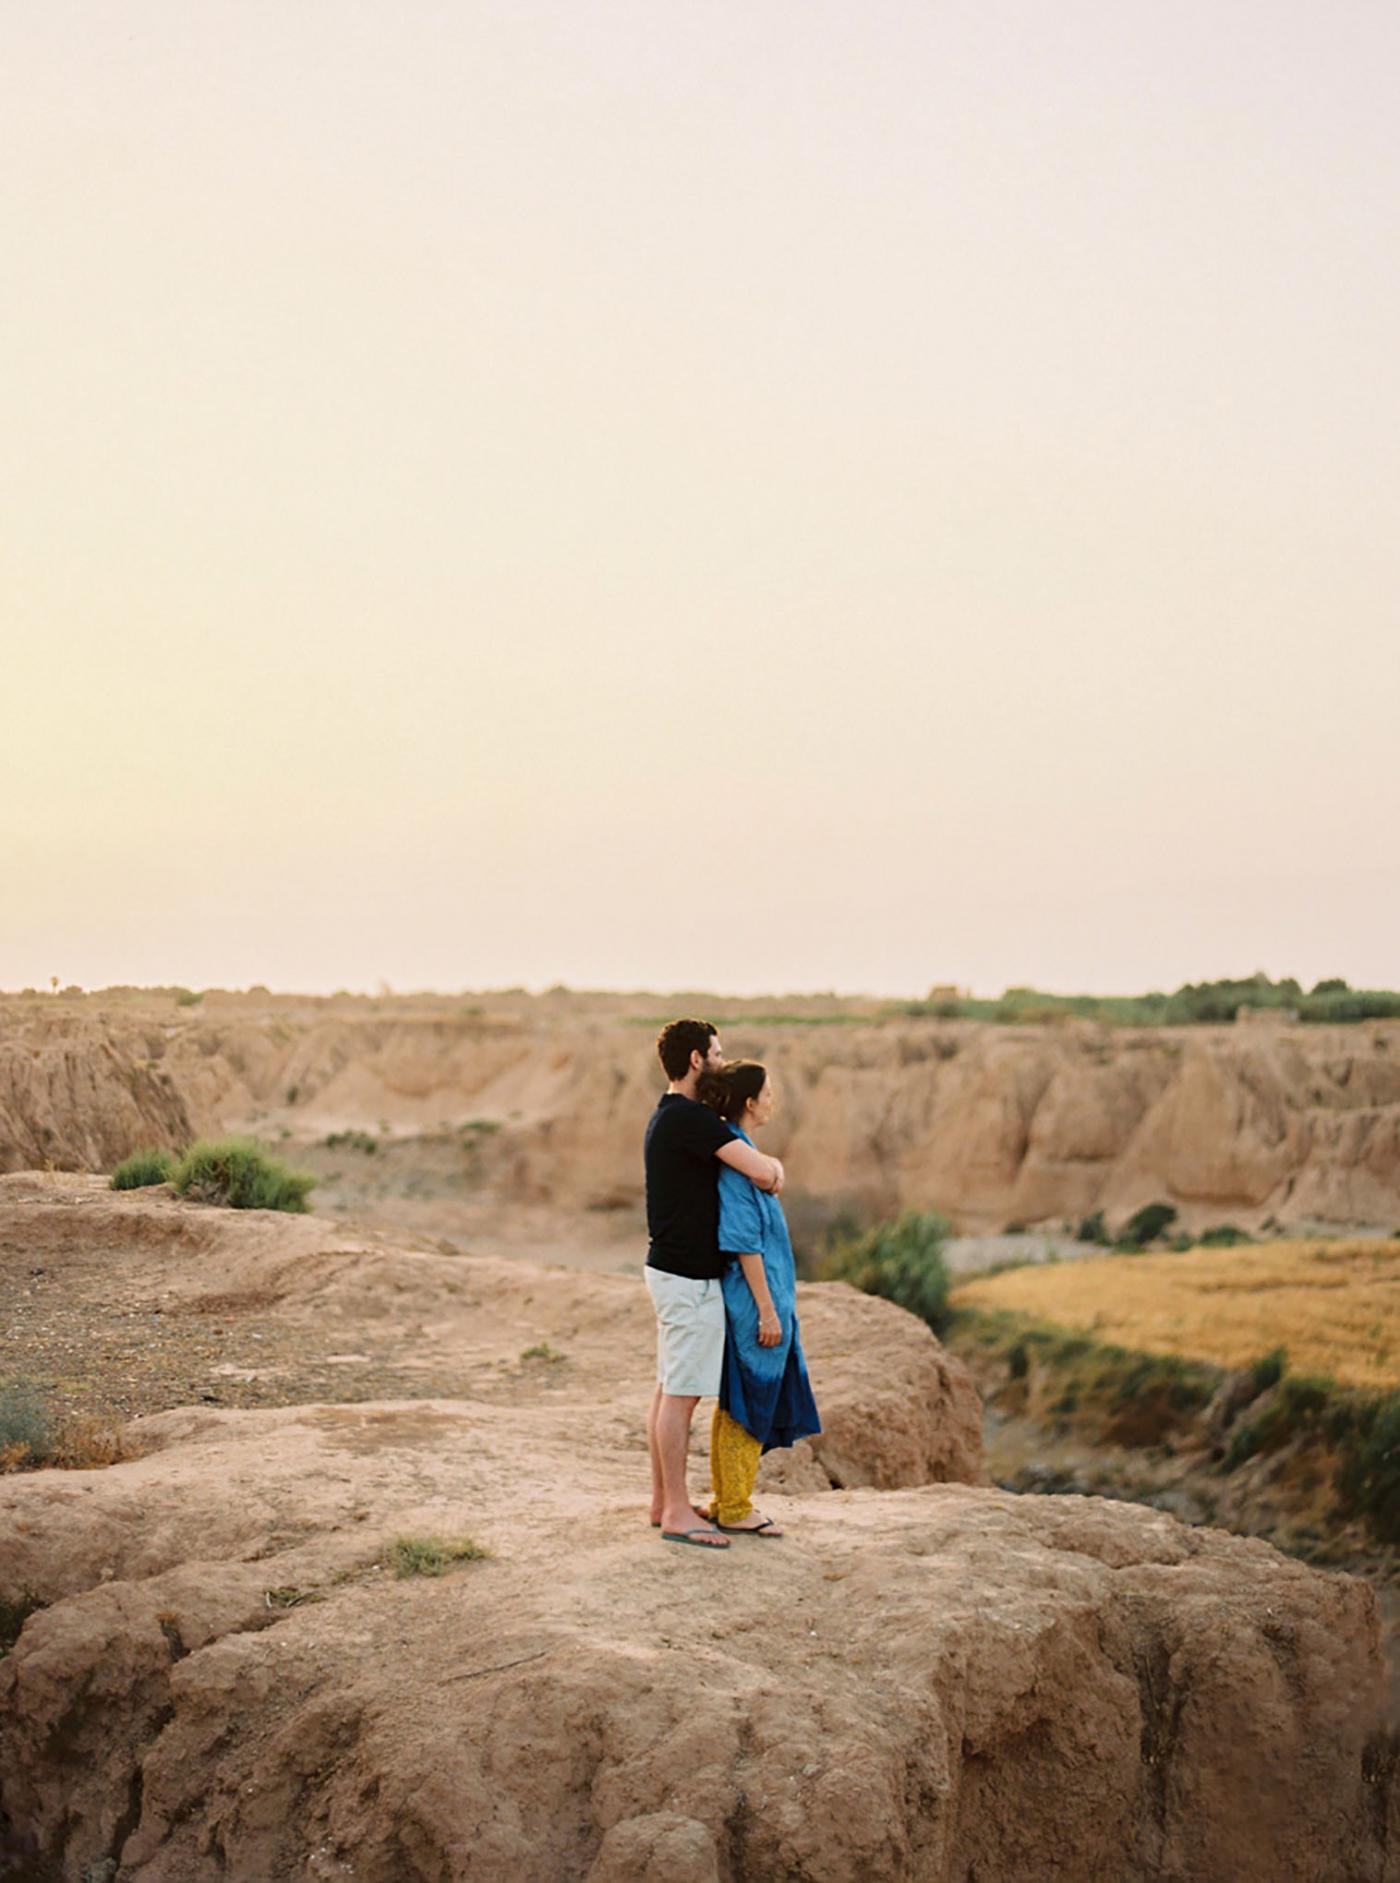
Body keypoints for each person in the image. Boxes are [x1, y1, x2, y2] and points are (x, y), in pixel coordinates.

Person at [644, 1019, 785, 1551]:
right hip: (687, 1278)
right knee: (680, 1397)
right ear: (696, 1060)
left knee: (668, 1389)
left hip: (670, 1270)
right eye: (718, 1054)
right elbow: (763, 1173)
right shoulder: (691, 1119)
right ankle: (677, 1512)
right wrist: (776, 1167)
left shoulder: (670, 1115)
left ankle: (663, 1501)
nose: (723, 1063)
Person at [699, 1059, 820, 1538]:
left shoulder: (744, 1152)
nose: (773, 1101)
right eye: (767, 1094)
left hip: (765, 1295)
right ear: (750, 1103)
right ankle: (735, 1507)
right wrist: (768, 1312)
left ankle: (725, 1499)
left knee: (739, 1400)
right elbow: (743, 1242)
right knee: (751, 1399)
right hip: (754, 1301)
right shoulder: (737, 1165)